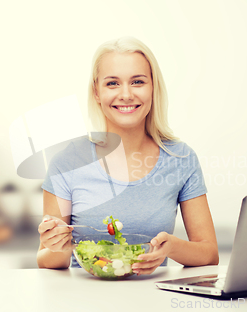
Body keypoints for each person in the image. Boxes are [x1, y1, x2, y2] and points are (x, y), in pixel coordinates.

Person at [37, 37, 219, 274]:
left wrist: (172, 247)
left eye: (137, 82)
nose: (126, 94)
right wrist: (55, 246)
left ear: (153, 88)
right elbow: (47, 260)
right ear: (96, 92)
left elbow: (209, 253)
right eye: (112, 83)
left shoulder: (181, 158)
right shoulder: (66, 162)